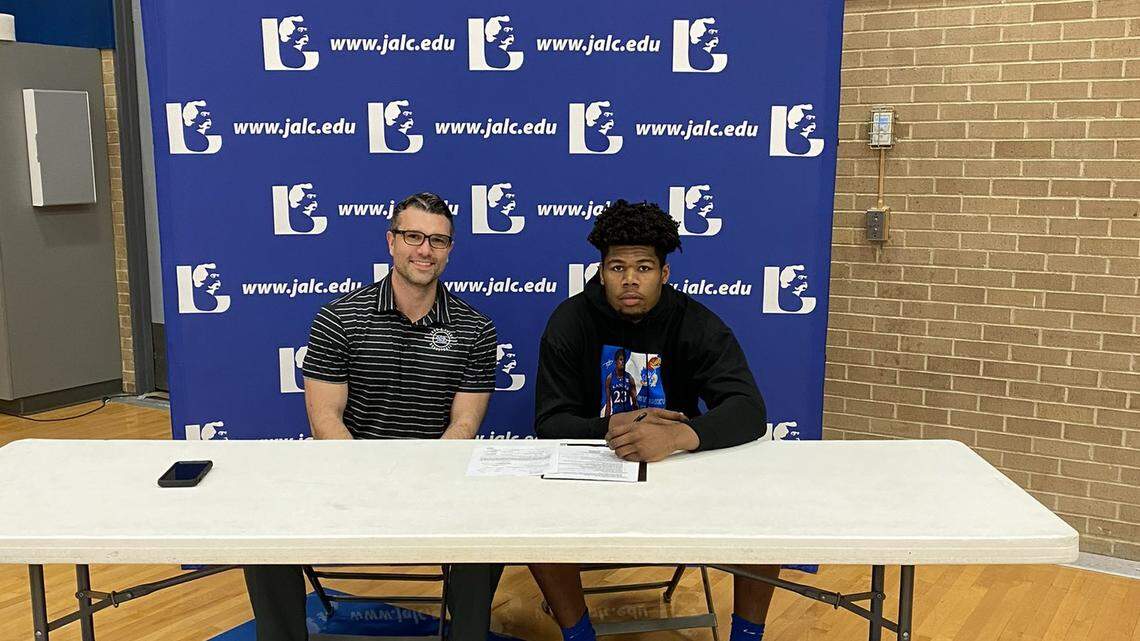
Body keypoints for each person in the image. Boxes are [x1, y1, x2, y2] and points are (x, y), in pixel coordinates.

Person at [243, 192, 503, 641]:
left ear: (450, 250)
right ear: (391, 242)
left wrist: (424, 482)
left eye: (438, 241)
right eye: (413, 236)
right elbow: (325, 420)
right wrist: (370, 484)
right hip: (349, 478)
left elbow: (464, 425)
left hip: (437, 479)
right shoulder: (338, 319)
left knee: (491, 527)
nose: (425, 250)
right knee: (264, 525)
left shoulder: (476, 328)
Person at [530, 199, 778, 641]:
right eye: (617, 267)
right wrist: (615, 428)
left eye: (643, 268)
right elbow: (550, 421)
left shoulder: (695, 322)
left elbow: (749, 408)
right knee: (528, 515)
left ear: (663, 273)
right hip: (594, 466)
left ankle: (746, 635)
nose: (629, 280)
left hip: (677, 464)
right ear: (601, 272)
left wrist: (680, 436)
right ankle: (577, 632)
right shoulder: (569, 320)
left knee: (763, 508)